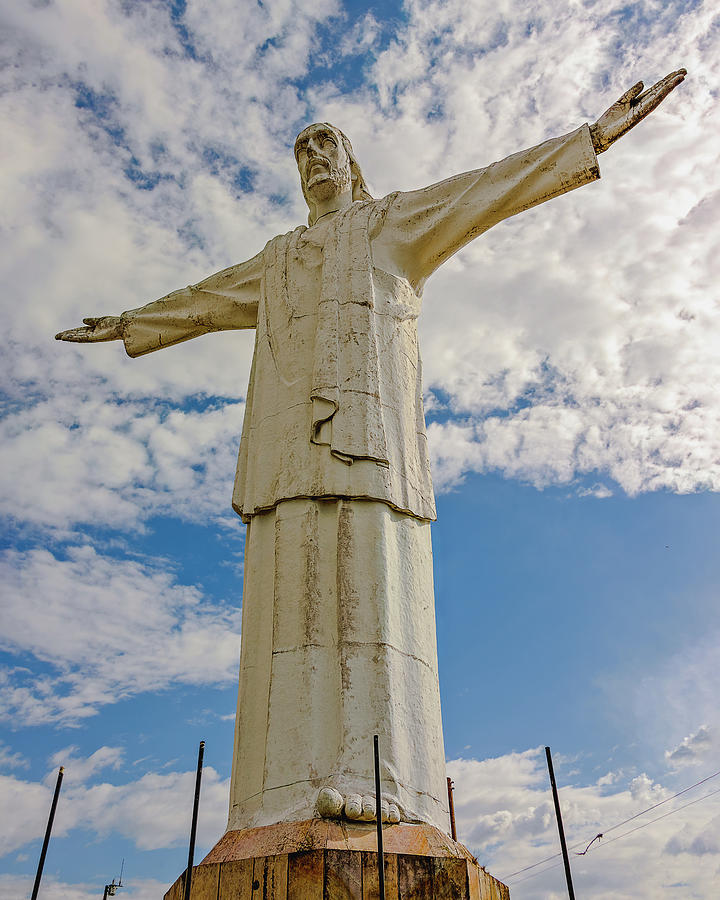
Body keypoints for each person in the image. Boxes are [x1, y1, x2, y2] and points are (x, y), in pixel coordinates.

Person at [57, 70, 686, 834]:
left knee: (370, 582)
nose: (314, 155)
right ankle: (272, 804)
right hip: (289, 447)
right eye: (302, 149)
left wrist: (588, 139)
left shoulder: (391, 222)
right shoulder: (280, 256)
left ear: (351, 163)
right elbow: (208, 298)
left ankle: (385, 782)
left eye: (328, 143)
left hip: (369, 437)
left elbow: (484, 190)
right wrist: (131, 323)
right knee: (285, 590)